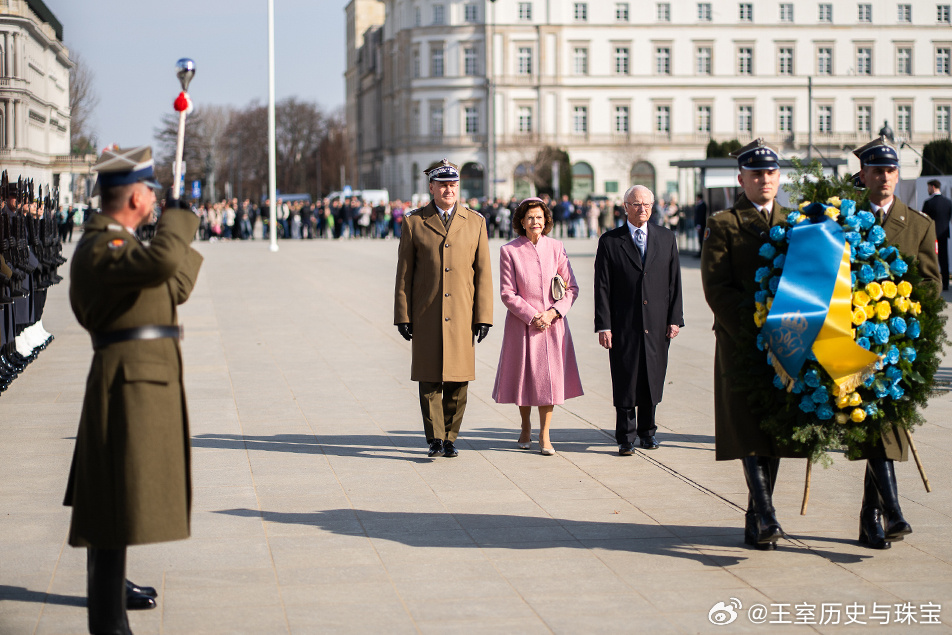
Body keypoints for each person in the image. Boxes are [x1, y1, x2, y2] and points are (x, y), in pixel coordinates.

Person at [63, 146, 203, 634]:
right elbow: (161, 266)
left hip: (137, 384)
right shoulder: (103, 247)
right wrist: (178, 224)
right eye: (153, 193)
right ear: (137, 196)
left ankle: (114, 596)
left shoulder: (122, 243)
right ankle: (109, 623)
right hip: (123, 386)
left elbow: (173, 286)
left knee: (117, 505)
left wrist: (184, 233)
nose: (156, 200)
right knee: (109, 508)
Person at [701, 139, 803, 550]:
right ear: (741, 179)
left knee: (773, 431)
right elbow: (716, 288)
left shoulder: (795, 223)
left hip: (787, 344)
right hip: (741, 344)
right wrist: (755, 330)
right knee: (746, 427)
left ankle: (757, 514)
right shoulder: (724, 223)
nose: (764, 180)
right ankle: (768, 514)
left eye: (770, 173)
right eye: (755, 174)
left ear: (779, 178)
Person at [852, 136, 941, 549]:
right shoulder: (844, 220)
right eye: (876, 171)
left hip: (896, 343)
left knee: (882, 423)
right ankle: (890, 511)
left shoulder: (919, 224)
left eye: (890, 171)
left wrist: (905, 313)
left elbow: (931, 283)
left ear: (897, 176)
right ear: (864, 175)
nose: (884, 177)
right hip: (849, 343)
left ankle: (875, 514)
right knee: (873, 422)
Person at [394, 159, 493, 458]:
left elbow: (484, 273)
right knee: (429, 377)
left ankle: (451, 436)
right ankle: (435, 438)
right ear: (431, 188)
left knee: (458, 379)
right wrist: (403, 315)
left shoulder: (475, 222)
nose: (448, 189)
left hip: (462, 313)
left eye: (453, 184)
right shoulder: (414, 222)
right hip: (426, 313)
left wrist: (483, 316)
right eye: (443, 185)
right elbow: (404, 274)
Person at [595, 184, 683, 454]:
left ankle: (648, 432)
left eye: (646, 204)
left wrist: (675, 318)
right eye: (636, 204)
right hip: (624, 324)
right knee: (625, 378)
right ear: (625, 208)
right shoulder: (611, 241)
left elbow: (674, 281)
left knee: (652, 377)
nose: (642, 208)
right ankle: (625, 436)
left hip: (657, 322)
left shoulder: (666, 238)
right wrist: (604, 325)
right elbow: (603, 286)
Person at [492, 198, 583, 455]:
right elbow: (507, 293)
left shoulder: (556, 247)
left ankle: (545, 435)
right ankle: (525, 426)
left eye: (540, 218)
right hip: (522, 325)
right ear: (522, 222)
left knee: (549, 381)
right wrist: (533, 316)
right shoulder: (509, 251)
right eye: (530, 217)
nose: (536, 222)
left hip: (553, 326)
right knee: (524, 379)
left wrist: (553, 313)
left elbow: (572, 288)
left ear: (546, 221)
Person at [922, 178, 951, 291]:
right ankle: (945, 284)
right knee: (944, 259)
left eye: (929, 187)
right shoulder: (948, 202)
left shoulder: (929, 203)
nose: (928, 189)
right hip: (943, 235)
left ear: (933, 187)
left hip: (932, 235)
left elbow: (924, 219)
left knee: (930, 258)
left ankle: (932, 282)